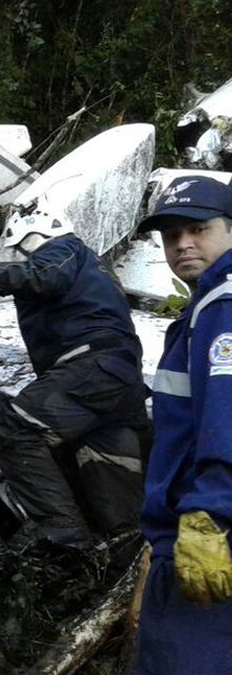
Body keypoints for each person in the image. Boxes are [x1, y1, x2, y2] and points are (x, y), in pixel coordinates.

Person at [0, 204, 148, 549]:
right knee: (107, 470)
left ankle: (62, 530)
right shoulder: (94, 267)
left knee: (15, 428)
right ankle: (121, 557)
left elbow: (45, 276)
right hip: (118, 383)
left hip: (91, 369)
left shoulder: (63, 249)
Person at [132, 175, 232, 675]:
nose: (183, 245)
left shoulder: (223, 308)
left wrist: (209, 512)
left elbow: (226, 413)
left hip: (208, 536)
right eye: (171, 236)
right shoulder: (206, 306)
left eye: (198, 229)